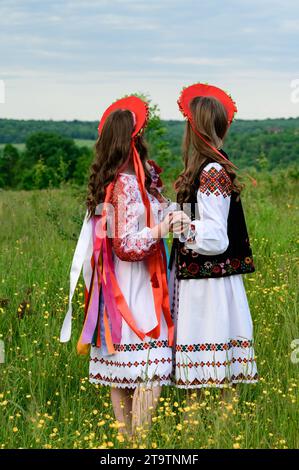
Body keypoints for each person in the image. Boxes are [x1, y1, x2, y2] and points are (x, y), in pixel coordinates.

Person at [60, 96, 187, 435]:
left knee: (123, 370)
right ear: (134, 139)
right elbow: (128, 246)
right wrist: (163, 228)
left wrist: (167, 207)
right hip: (135, 286)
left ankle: (126, 439)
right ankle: (139, 442)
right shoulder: (126, 184)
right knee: (151, 367)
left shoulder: (119, 180)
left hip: (118, 283)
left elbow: (140, 219)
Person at [170, 84, 258, 392]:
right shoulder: (205, 169)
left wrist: (182, 226)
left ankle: (219, 433)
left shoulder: (211, 172)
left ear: (195, 129)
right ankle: (201, 434)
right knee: (199, 377)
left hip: (210, 286)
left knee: (217, 381)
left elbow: (216, 238)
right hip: (200, 281)